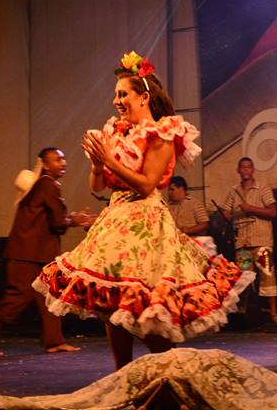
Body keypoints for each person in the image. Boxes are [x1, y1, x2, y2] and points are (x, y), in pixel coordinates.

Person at [33, 51, 253, 370]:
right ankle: (122, 373)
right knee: (113, 304)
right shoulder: (115, 133)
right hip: (114, 220)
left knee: (146, 306)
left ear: (144, 97)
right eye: (116, 95)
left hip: (145, 222)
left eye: (123, 94)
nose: (117, 101)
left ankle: (169, 372)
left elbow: (148, 185)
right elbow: (99, 185)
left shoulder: (162, 133)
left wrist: (108, 161)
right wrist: (97, 165)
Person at [0, 147, 93, 357]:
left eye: (63, 158)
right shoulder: (47, 184)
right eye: (57, 159)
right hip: (27, 253)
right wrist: (74, 220)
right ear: (46, 165)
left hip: (38, 252)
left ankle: (54, 341)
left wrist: (72, 219)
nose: (63, 162)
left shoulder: (43, 185)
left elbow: (52, 219)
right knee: (19, 295)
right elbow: (58, 221)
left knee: (49, 295)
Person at [219, 157, 277, 323]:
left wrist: (250, 208)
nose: (246, 170)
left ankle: (273, 313)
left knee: (268, 276)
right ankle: (244, 314)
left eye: (248, 167)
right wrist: (226, 215)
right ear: (238, 170)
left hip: (262, 241)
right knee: (244, 279)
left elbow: (273, 212)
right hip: (242, 242)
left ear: (253, 170)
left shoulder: (263, 188)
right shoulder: (233, 191)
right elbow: (226, 212)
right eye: (243, 167)